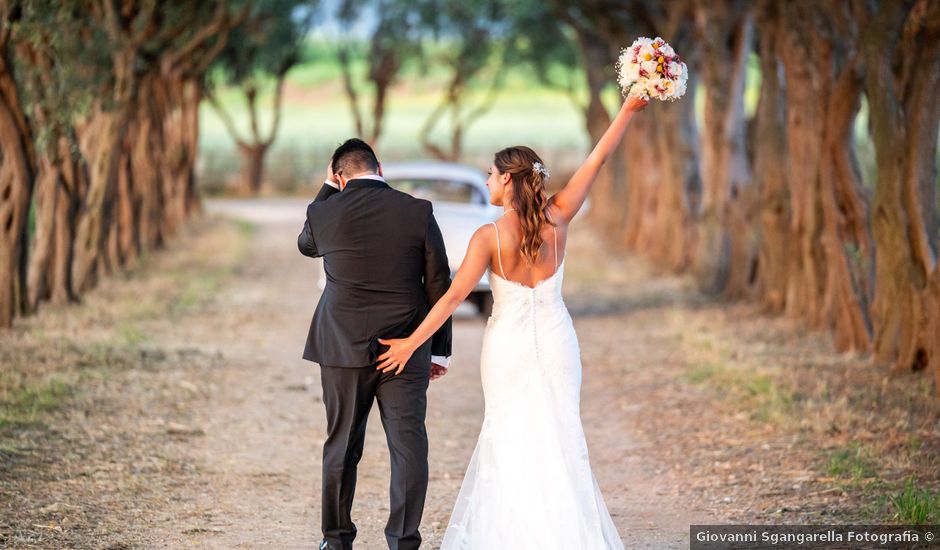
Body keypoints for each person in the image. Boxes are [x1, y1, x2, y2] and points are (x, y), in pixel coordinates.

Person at [376, 95, 649, 548]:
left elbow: (451, 299)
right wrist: (628, 111)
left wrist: (411, 344)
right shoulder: (559, 219)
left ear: (506, 179)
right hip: (560, 342)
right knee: (561, 435)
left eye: (489, 173)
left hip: (507, 348)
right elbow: (597, 158)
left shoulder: (489, 237)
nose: (486, 179)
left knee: (508, 436)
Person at [297, 138, 453, 550]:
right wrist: (438, 348)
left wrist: (327, 191)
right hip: (406, 346)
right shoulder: (417, 210)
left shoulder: (323, 211)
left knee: (341, 446)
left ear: (339, 176)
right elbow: (439, 282)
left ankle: (336, 540)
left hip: (341, 346)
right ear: (379, 168)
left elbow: (306, 245)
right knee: (408, 447)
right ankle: (403, 542)